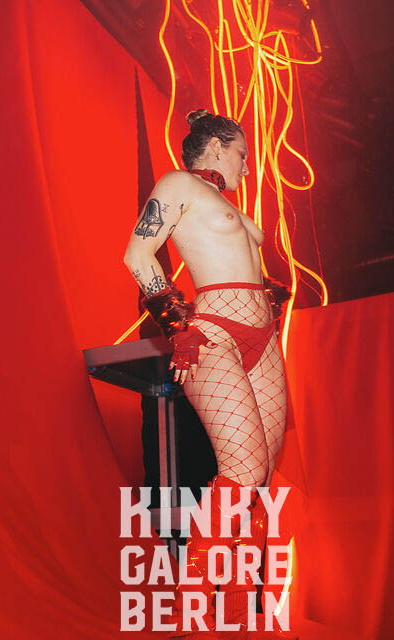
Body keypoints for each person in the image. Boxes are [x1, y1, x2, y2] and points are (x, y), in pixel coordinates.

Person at [123, 109, 292, 639]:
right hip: (213, 333)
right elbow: (137, 254)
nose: (248, 164)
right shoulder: (179, 184)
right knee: (242, 468)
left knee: (260, 479)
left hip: (263, 339)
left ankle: (240, 615)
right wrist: (177, 325)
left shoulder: (228, 203)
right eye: (242, 152)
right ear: (217, 147)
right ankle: (190, 612)